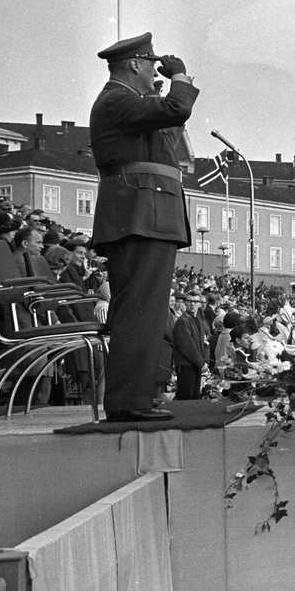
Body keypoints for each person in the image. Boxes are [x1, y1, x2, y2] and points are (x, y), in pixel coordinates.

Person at [90, 32, 198, 423]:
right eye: (151, 63)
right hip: (139, 214)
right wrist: (179, 77)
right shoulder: (117, 99)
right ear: (134, 64)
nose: (156, 69)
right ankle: (127, 402)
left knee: (146, 311)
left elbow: (166, 123)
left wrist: (160, 89)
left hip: (146, 214)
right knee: (140, 311)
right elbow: (175, 110)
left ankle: (135, 396)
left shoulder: (126, 102)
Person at [172, 290, 208, 400]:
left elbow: (205, 343)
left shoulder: (199, 321)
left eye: (195, 301)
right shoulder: (182, 321)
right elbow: (187, 346)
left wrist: (204, 361)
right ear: (185, 303)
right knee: (186, 398)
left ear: (200, 304)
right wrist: (201, 363)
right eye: (189, 301)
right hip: (186, 366)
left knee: (195, 398)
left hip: (196, 365)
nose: (192, 304)